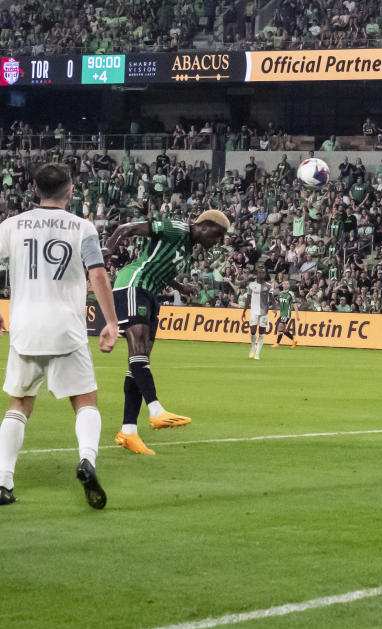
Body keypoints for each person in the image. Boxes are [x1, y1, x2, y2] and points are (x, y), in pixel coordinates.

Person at [0, 163, 120, 508]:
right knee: (85, 400)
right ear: (70, 190)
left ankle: (4, 481)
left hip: (25, 328)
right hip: (67, 328)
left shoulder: (11, 225)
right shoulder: (82, 227)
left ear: (35, 190)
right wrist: (111, 322)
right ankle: (86, 460)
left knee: (20, 404)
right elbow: (97, 274)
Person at [105, 209, 230, 455]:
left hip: (149, 292)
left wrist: (179, 287)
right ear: (204, 225)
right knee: (138, 350)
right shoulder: (178, 229)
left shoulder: (188, 249)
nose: (219, 242)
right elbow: (127, 228)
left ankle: (128, 431)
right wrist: (107, 251)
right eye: (218, 235)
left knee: (138, 362)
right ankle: (155, 410)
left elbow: (161, 268)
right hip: (133, 284)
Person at [241, 268, 273, 359]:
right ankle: (252, 347)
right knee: (253, 331)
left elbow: (272, 298)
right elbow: (248, 298)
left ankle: (257, 353)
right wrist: (244, 311)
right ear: (257, 274)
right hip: (254, 311)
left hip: (264, 312)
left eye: (263, 272)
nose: (261, 274)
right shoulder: (251, 285)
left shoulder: (269, 286)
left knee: (262, 332)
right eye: (260, 273)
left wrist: (274, 308)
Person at [272, 280, 299, 348]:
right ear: (282, 285)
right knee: (282, 329)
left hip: (286, 314)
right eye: (285, 284)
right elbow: (278, 303)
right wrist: (275, 310)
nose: (286, 285)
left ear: (289, 285)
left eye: (287, 284)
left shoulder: (291, 294)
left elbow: (295, 304)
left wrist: (297, 314)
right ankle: (294, 340)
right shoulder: (280, 294)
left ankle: (277, 343)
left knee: (280, 327)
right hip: (281, 314)